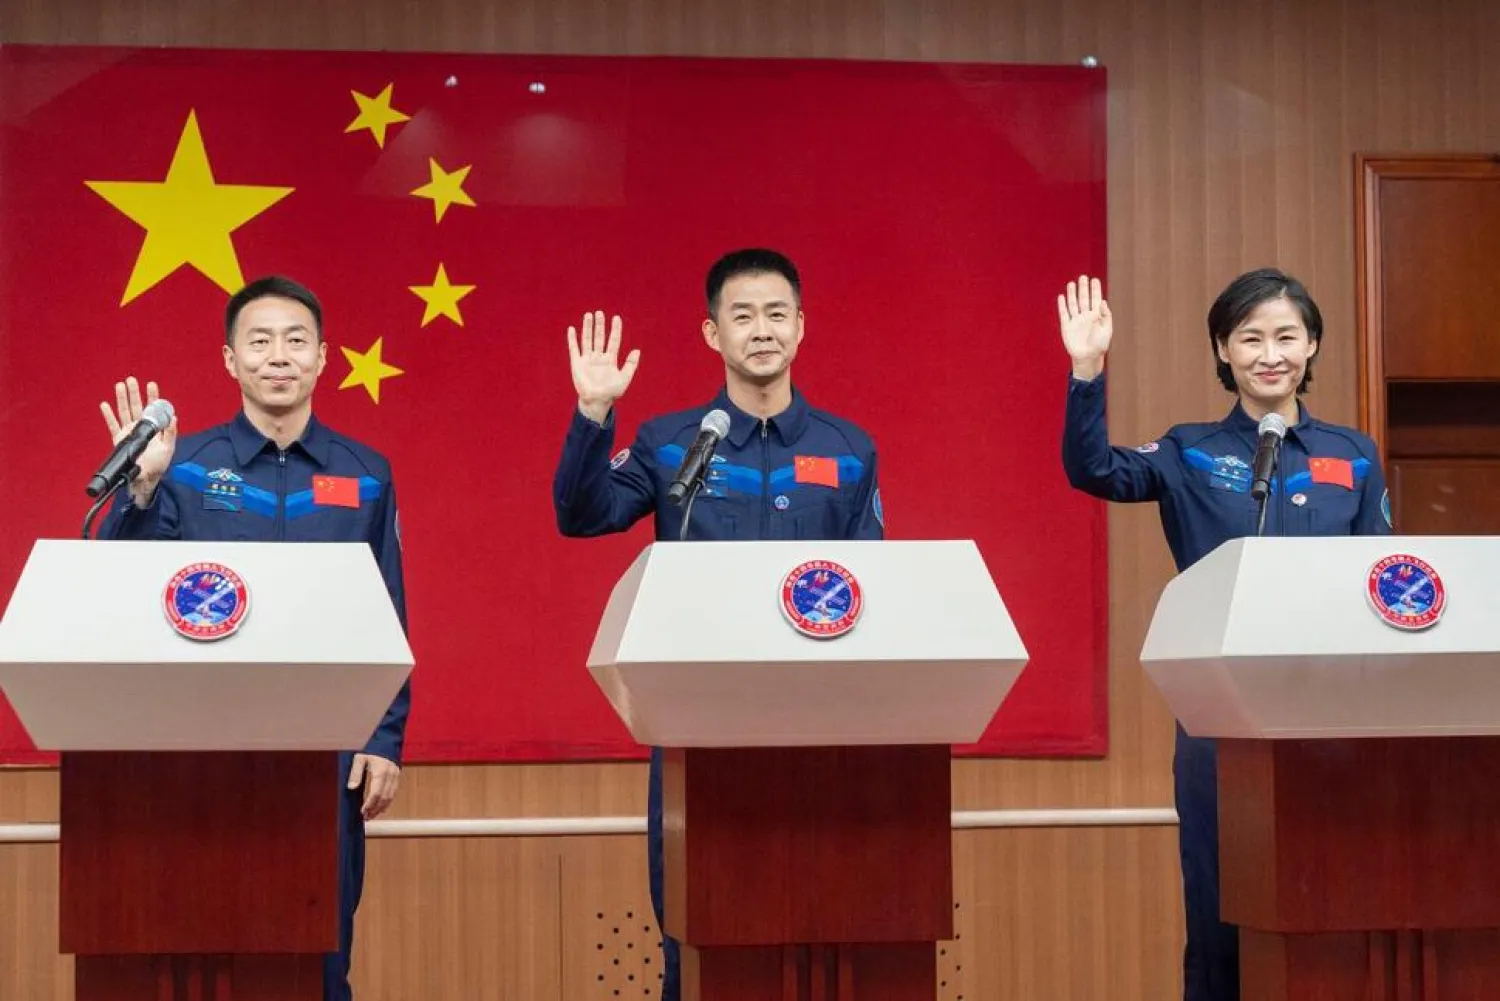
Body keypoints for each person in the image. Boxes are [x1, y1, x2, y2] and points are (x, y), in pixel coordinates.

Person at [553, 248, 883, 1001]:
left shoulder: (848, 448)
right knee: (698, 933)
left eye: (776, 314)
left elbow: (875, 591)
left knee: (819, 924)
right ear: (712, 334)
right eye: (742, 316)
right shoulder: (677, 443)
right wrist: (593, 415)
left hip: (816, 730)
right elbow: (581, 515)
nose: (760, 331)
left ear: (800, 327)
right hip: (699, 725)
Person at [1059, 268, 1390, 1000]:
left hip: (1331, 716)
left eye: (1285, 335)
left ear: (1312, 344)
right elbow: (1094, 471)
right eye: (1250, 337)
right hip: (1219, 716)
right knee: (1219, 905)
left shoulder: (1354, 453)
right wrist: (1087, 372)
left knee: (1332, 892)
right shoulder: (1190, 449)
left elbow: (1380, 577)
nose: (1270, 353)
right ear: (1223, 348)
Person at [97, 275, 411, 1001]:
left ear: (323, 357)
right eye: (260, 341)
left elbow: (387, 612)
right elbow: (123, 584)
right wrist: (140, 491)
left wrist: (383, 737)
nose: (279, 356)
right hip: (199, 744)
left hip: (326, 747)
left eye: (296, 341)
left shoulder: (364, 473)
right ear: (230, 360)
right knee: (205, 934)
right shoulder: (181, 464)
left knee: (322, 946)